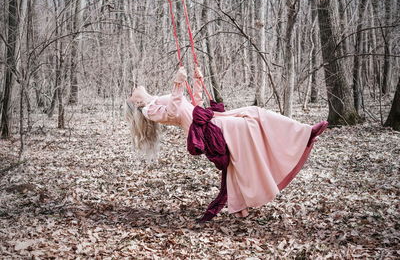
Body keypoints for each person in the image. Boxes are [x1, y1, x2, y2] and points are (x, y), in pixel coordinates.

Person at [126, 66, 328, 219]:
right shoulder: (148, 110)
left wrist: (198, 81)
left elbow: (194, 105)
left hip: (210, 120)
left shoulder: (155, 100)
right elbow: (173, 111)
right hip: (207, 130)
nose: (133, 89)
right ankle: (303, 134)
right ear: (136, 101)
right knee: (251, 119)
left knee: (251, 118)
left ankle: (241, 206)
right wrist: (177, 84)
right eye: (130, 94)